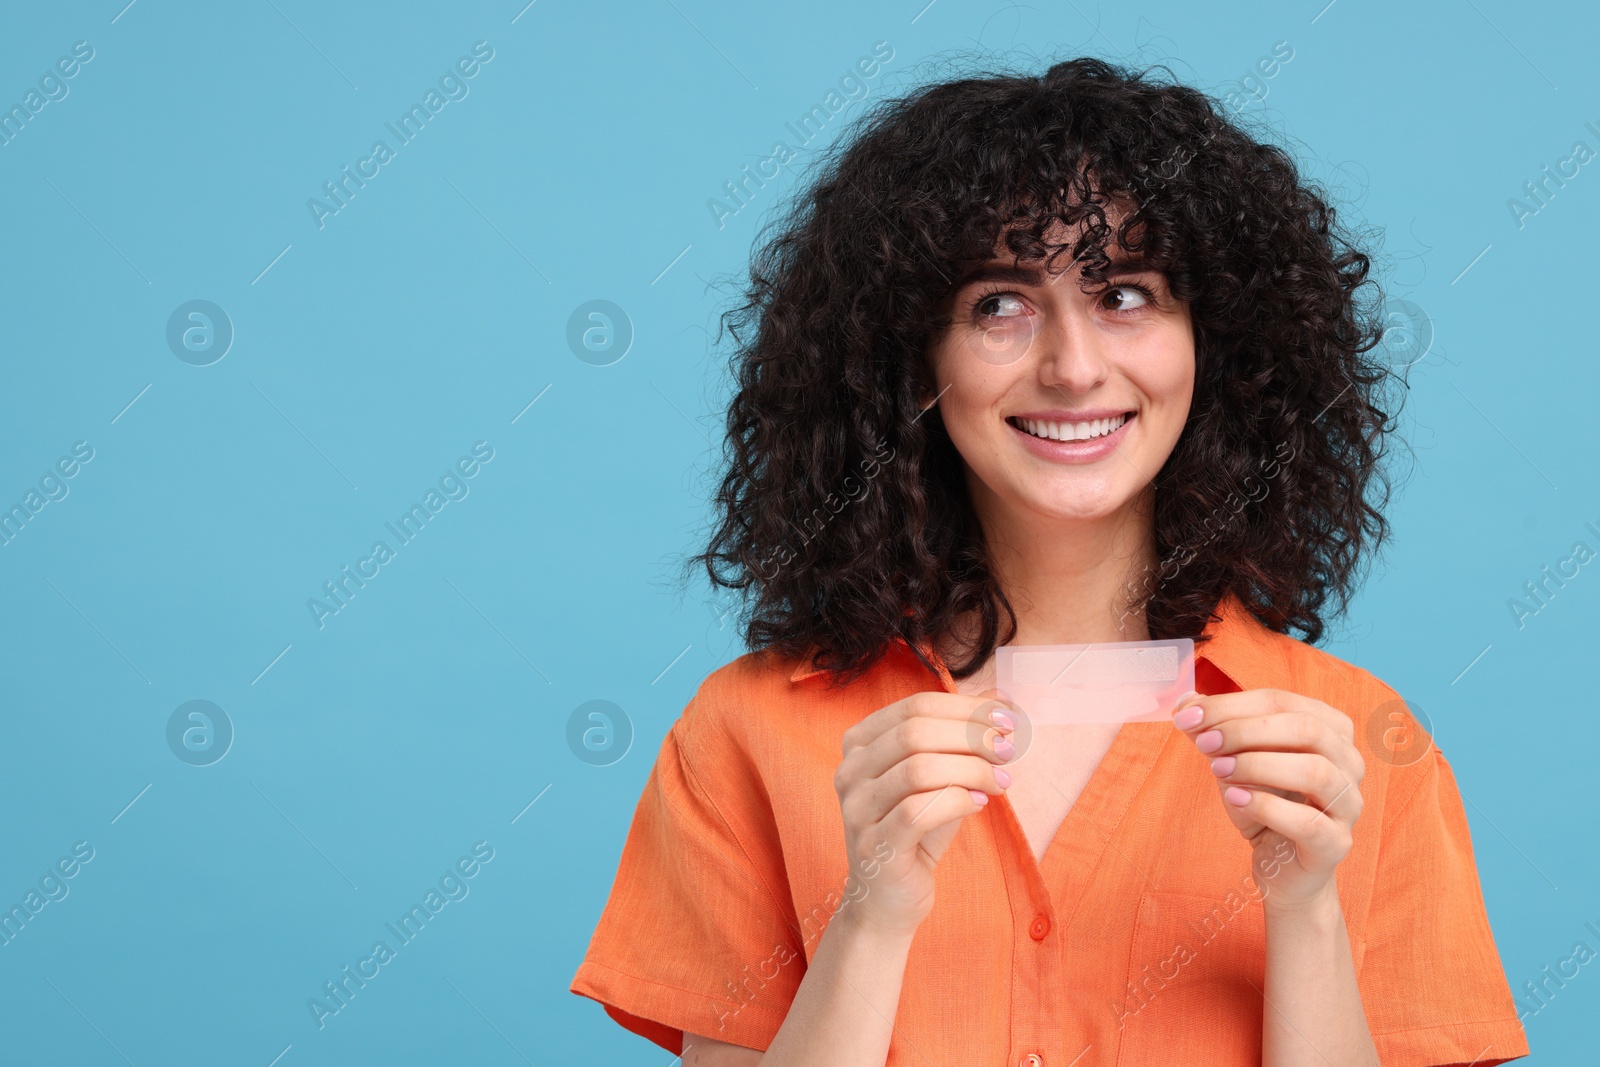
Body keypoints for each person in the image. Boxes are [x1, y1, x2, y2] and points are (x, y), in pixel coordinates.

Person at [570, 56, 1529, 1066]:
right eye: (998, 303)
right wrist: (868, 916)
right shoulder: (746, 733)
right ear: (910, 356)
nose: (1072, 367)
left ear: (1218, 341)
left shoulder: (1364, 752)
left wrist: (1307, 909)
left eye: (1123, 292)